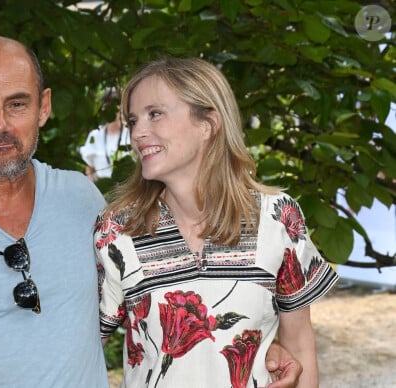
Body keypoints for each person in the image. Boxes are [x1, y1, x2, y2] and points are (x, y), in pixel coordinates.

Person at [0, 36, 302, 387]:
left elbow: (157, 298)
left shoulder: (85, 202)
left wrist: (265, 345)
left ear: (44, 107)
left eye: (16, 104)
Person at [94, 57, 339, 388]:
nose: (138, 133)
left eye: (155, 114)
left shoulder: (277, 218)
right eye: (134, 120)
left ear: (207, 124)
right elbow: (83, 346)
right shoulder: (118, 230)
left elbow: (299, 345)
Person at [79, 88, 131, 182]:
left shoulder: (131, 134)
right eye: (109, 105)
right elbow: (90, 169)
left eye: (118, 106)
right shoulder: (95, 135)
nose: (115, 110)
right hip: (102, 192)